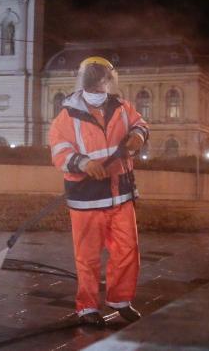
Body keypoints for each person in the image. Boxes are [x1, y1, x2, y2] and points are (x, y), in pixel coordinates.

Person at [48, 56, 149, 327]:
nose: (97, 86)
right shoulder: (66, 115)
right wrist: (84, 163)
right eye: (93, 80)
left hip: (120, 195)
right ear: (84, 81)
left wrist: (138, 136)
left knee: (128, 250)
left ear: (108, 81)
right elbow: (59, 151)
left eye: (101, 79)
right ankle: (88, 307)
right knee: (88, 256)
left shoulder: (121, 107)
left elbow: (140, 124)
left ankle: (120, 300)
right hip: (86, 199)